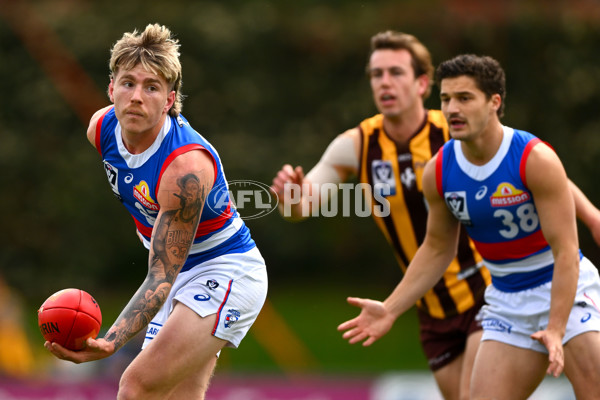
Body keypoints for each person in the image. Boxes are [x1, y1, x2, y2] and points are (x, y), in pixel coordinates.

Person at [271, 31, 600, 400]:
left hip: (507, 286)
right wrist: (291, 199)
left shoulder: (481, 138)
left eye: (395, 72)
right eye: (376, 75)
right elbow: (434, 245)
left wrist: (590, 216)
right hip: (460, 300)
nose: (384, 82)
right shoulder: (389, 152)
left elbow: (546, 197)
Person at [44, 24, 268, 400]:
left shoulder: (185, 169)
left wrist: (111, 342)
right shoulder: (99, 129)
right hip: (177, 271)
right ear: (111, 87)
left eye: (151, 87)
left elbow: (162, 273)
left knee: (136, 387)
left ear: (169, 100)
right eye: (128, 83)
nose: (136, 97)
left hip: (226, 271)